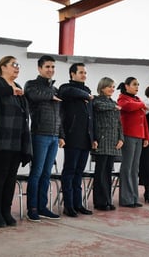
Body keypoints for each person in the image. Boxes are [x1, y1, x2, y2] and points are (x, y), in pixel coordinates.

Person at [0, 56, 32, 227]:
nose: (17, 68)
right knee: (0, 176)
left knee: (11, 178)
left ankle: (6, 210)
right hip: (0, 139)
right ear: (3, 67)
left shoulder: (18, 87)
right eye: (13, 65)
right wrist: (10, 91)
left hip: (16, 141)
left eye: (18, 65)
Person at [24, 55, 64, 222]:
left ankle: (42, 207)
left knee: (47, 174)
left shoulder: (54, 90)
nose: (51, 70)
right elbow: (33, 95)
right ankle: (32, 208)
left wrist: (61, 135)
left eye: (53, 67)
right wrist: (50, 94)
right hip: (39, 134)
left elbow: (59, 115)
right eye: (47, 67)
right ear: (39, 68)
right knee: (37, 173)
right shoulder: (32, 85)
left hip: (54, 137)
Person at [58, 62, 94, 217]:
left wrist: (94, 137)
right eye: (81, 72)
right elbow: (69, 91)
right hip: (72, 137)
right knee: (69, 172)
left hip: (86, 139)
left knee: (79, 173)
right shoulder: (66, 88)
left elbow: (91, 118)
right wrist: (86, 96)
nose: (84, 75)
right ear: (72, 74)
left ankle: (78, 204)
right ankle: (69, 205)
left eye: (85, 73)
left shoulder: (87, 91)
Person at [117, 77, 149, 208]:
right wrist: (142, 105)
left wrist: (146, 137)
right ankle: (126, 199)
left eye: (138, 84)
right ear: (126, 86)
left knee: (135, 168)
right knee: (127, 167)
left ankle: (134, 197)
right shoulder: (123, 98)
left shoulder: (138, 100)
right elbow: (127, 107)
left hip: (139, 136)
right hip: (128, 135)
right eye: (134, 84)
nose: (137, 87)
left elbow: (144, 121)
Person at [91, 77, 124, 211]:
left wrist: (121, 138)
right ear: (102, 87)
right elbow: (99, 106)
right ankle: (100, 202)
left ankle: (107, 200)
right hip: (102, 141)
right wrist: (115, 107)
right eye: (109, 86)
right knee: (100, 174)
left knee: (108, 174)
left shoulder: (114, 103)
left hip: (113, 142)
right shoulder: (97, 101)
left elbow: (119, 123)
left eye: (113, 86)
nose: (112, 89)